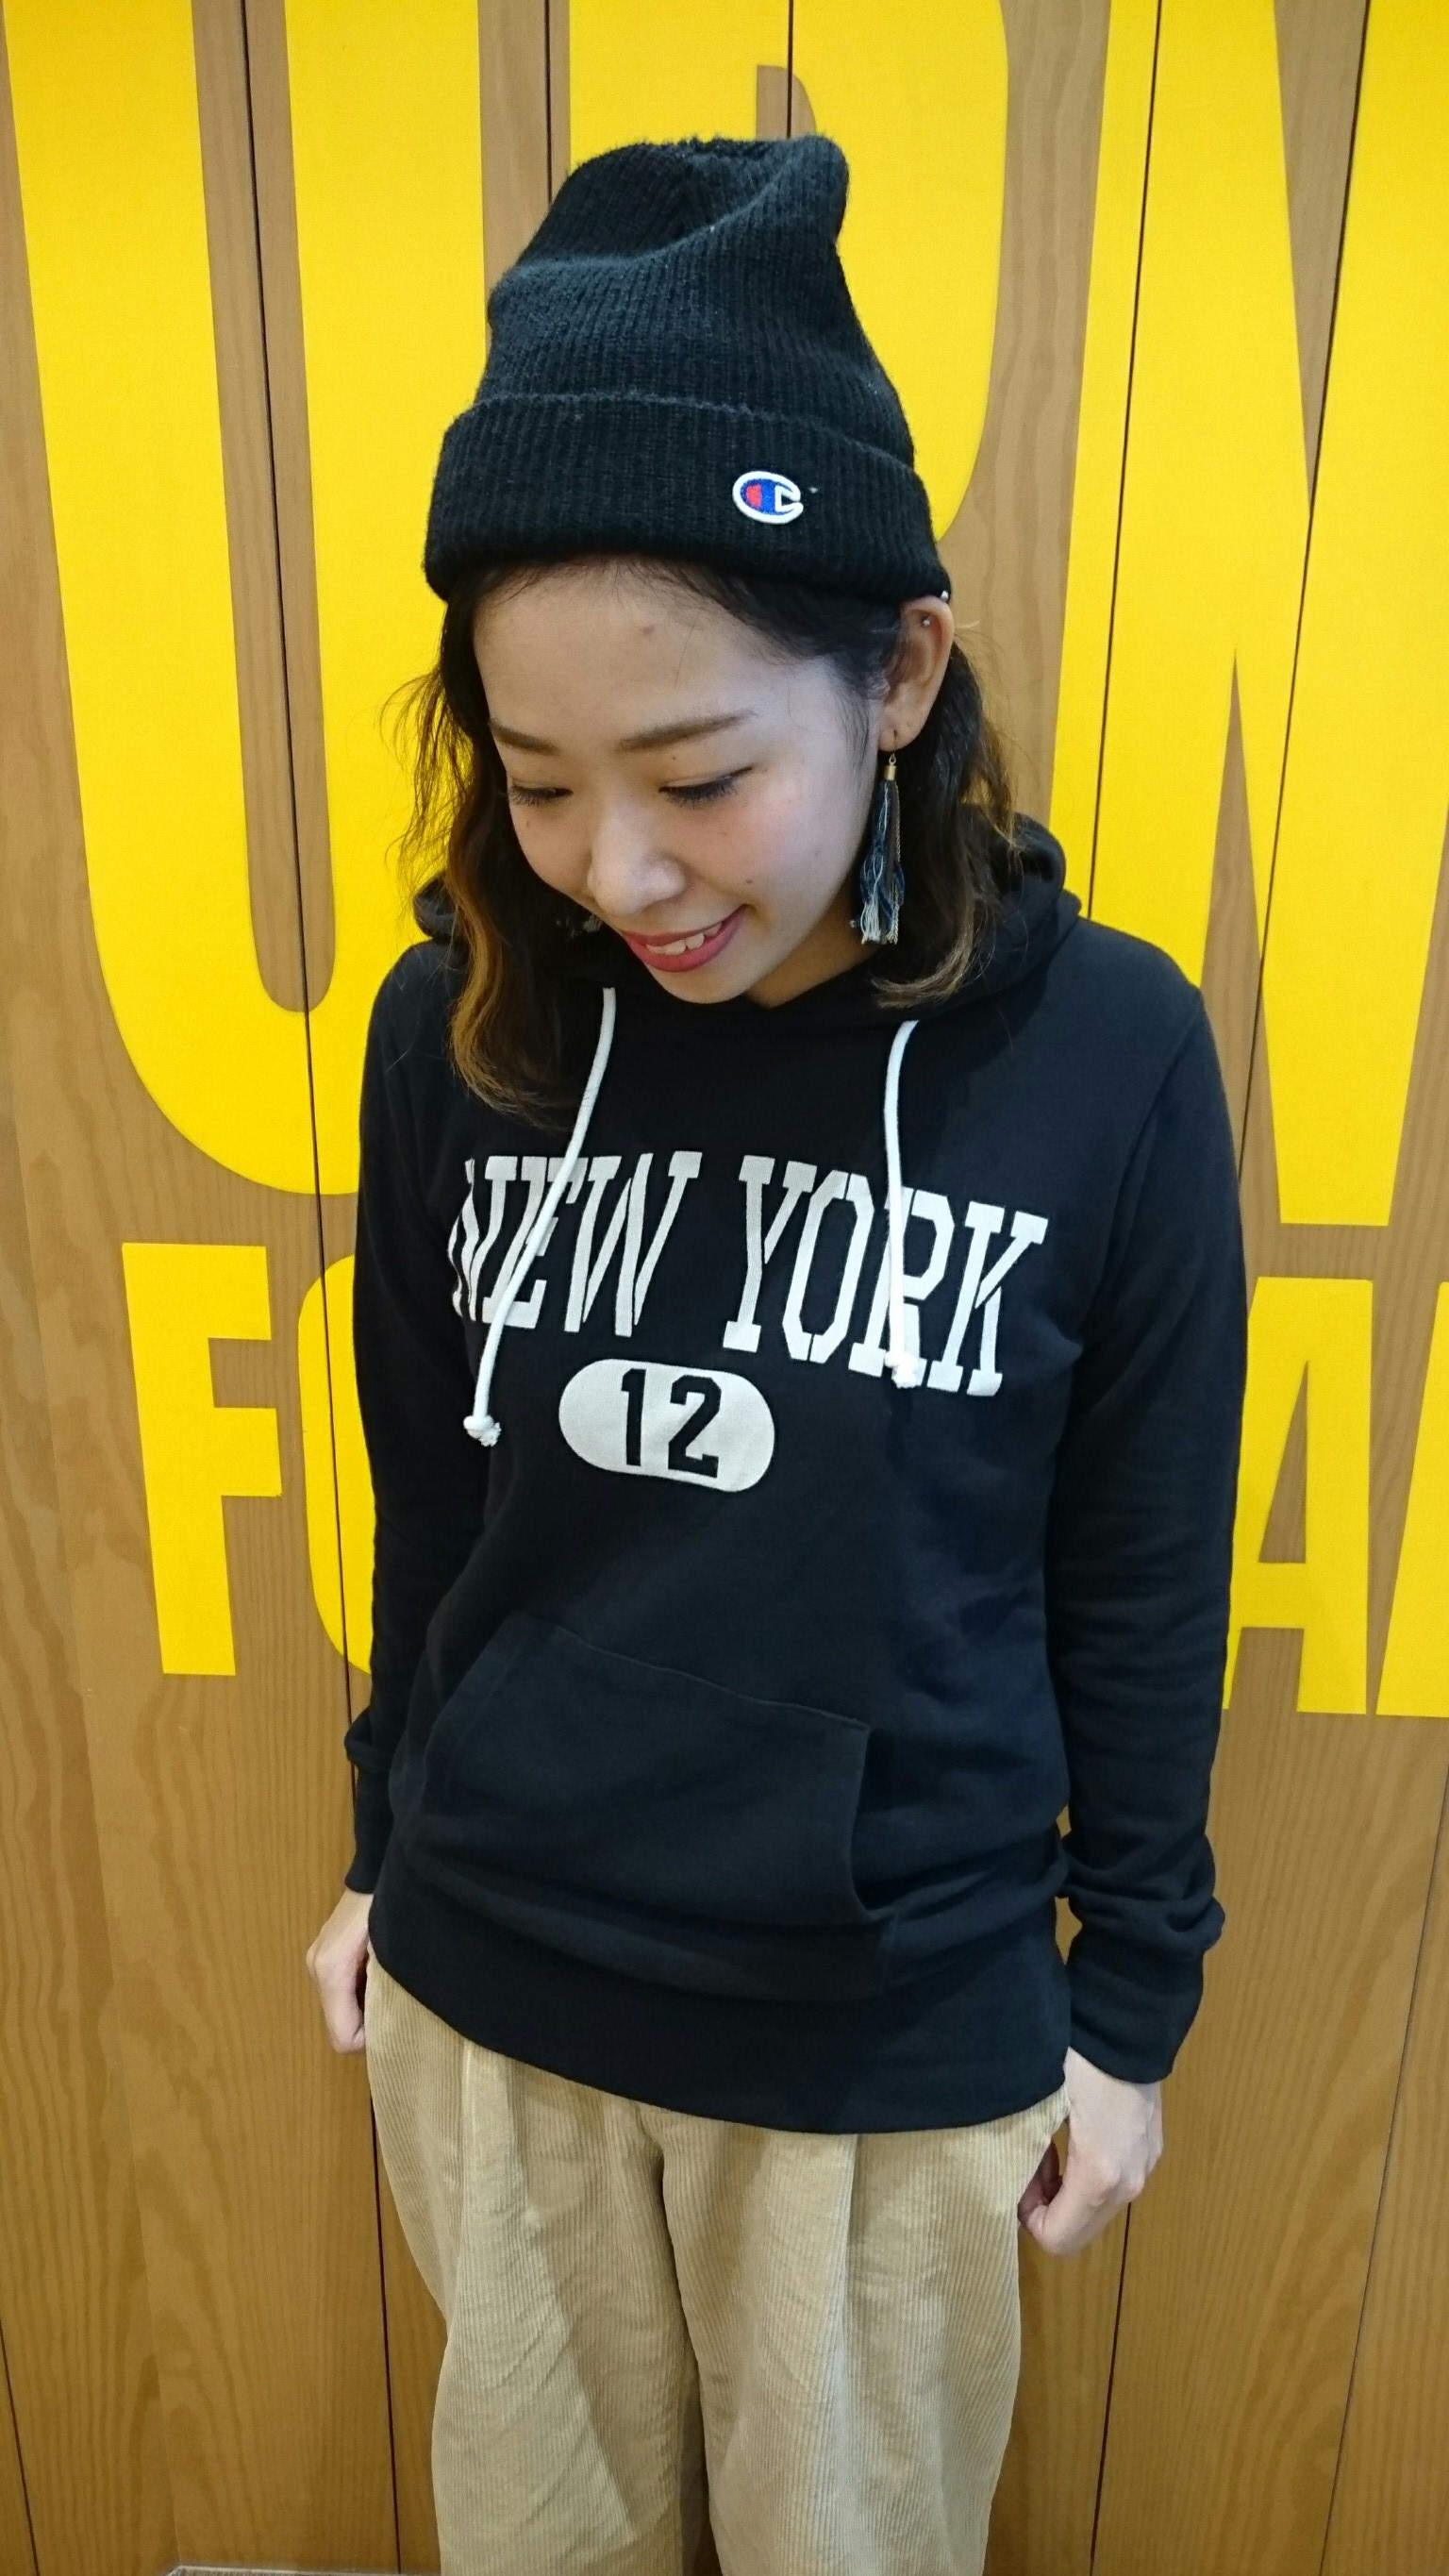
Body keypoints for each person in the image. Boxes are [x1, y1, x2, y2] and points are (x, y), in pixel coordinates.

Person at [305, 132, 1247, 2576]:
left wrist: (1131, 2008)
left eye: (702, 776)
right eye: (536, 784)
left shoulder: (1109, 1058)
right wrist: (387, 1846)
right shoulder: (461, 1029)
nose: (616, 870)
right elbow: (437, 1495)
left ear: (899, 672)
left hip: (881, 2059)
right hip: (498, 2005)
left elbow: (1142, 1581)